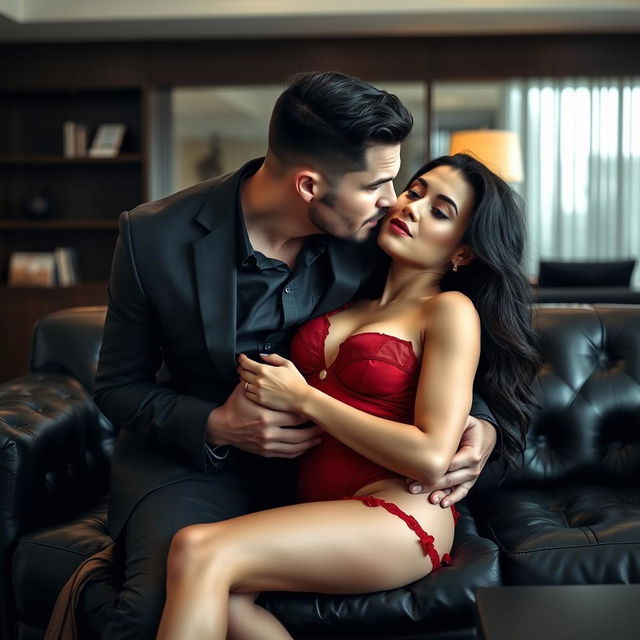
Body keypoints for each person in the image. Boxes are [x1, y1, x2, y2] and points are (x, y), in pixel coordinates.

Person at [83, 72, 499, 639]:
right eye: (380, 185)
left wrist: (482, 426)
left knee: (210, 570)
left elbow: (422, 337)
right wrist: (218, 426)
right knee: (151, 604)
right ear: (308, 187)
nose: (393, 201)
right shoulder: (152, 238)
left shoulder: (371, 235)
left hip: (341, 473)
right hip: (200, 466)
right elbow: (116, 385)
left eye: (398, 183)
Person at [155, 152, 539, 639]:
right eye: (414, 192)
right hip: (317, 504)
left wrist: (305, 399)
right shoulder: (344, 290)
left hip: (399, 510)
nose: (412, 208)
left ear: (462, 252)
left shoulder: (448, 310)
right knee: (215, 593)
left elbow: (429, 455)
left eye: (439, 212)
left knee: (198, 550)